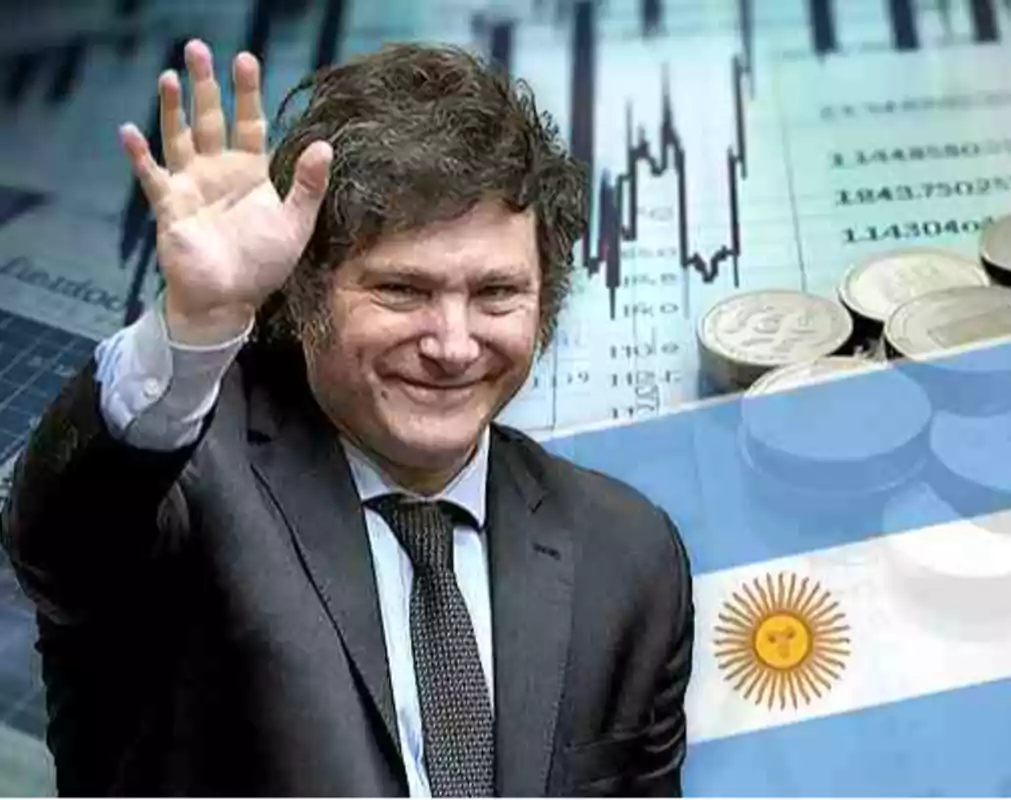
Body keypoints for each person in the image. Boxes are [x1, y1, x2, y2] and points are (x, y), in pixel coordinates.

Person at [0, 38, 694, 797]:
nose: (453, 344)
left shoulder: (628, 557)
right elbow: (61, 538)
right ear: (305, 293)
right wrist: (198, 324)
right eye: (402, 290)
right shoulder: (184, 485)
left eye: (497, 294)